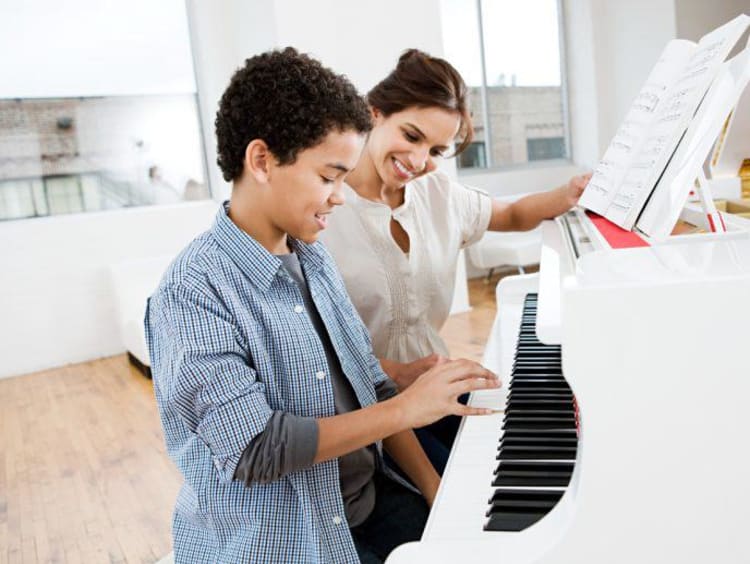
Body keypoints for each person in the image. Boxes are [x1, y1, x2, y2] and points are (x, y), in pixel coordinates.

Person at [145, 48, 499, 564]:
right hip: (289, 541)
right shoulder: (193, 292)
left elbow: (372, 390)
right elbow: (257, 448)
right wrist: (407, 405)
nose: (339, 197)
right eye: (329, 176)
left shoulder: (312, 257)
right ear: (262, 160)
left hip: (367, 501)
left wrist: (435, 493)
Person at [320, 49, 591, 471]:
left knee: (526, 452)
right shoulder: (322, 208)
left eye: (435, 150)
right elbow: (311, 341)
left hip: (435, 390)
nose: (418, 161)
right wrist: (394, 372)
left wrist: (569, 194)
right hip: (362, 411)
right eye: (411, 136)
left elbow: (513, 214)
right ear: (374, 114)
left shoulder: (439, 194)